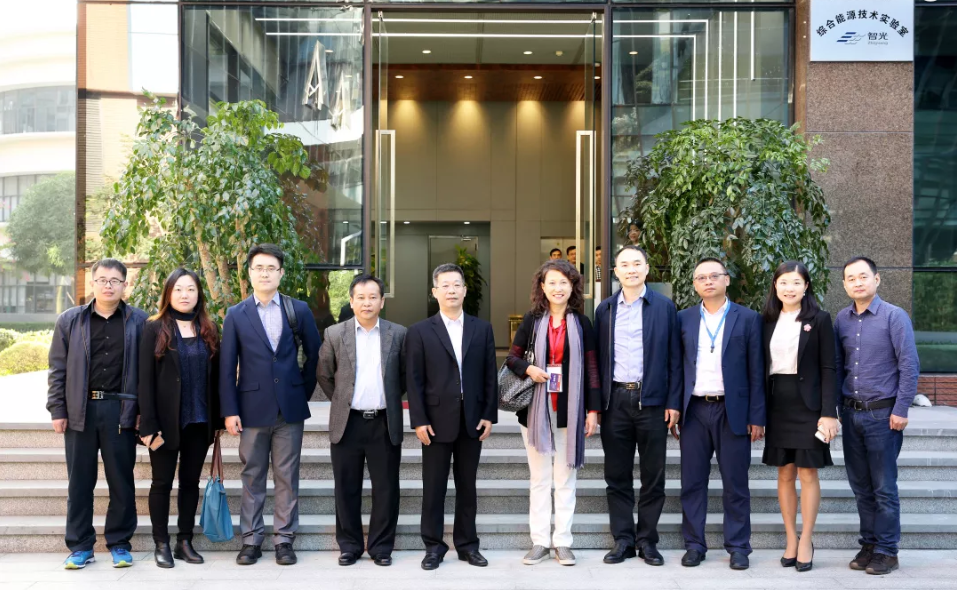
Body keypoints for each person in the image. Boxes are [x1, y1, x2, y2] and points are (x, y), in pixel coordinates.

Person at [220, 244, 322, 566]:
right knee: (252, 475)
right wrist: (230, 411)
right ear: (249, 273)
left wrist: (300, 391)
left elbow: (315, 355)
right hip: (251, 408)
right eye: (259, 268)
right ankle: (251, 541)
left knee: (287, 475)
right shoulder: (236, 314)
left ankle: (284, 540)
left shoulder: (298, 310)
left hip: (289, 409)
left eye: (271, 268)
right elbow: (227, 367)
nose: (265, 273)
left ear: (281, 273)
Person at [47, 258, 148, 569]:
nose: (108, 285)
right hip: (80, 409)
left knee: (121, 481)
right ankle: (80, 546)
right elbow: (57, 368)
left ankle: (120, 543)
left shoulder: (139, 321)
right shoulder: (70, 320)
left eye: (115, 281)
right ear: (92, 282)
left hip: (121, 410)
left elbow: (148, 373)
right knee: (79, 482)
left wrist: (144, 412)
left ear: (124, 285)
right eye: (102, 280)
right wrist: (57, 408)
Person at [505, 260, 600, 566]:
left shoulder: (582, 323)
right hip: (535, 411)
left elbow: (592, 369)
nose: (558, 288)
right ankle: (539, 542)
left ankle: (563, 542)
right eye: (552, 282)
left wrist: (593, 411)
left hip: (570, 411)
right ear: (542, 287)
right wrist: (529, 369)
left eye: (564, 282)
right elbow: (512, 359)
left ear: (573, 287)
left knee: (565, 479)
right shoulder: (532, 320)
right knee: (540, 479)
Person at [406, 263, 498, 571]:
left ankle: (467, 545)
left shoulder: (481, 329)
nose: (451, 290)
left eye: (457, 285)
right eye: (445, 285)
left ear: (465, 290)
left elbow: (489, 375)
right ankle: (433, 547)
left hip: (472, 419)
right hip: (434, 421)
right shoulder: (420, 331)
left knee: (467, 487)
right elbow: (414, 380)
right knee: (433, 488)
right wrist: (419, 420)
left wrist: (489, 414)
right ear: (435, 292)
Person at [595, 245, 682, 567]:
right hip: (615, 401)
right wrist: (596, 405)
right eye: (625, 265)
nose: (631, 270)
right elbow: (597, 362)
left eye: (637, 264)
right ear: (615, 271)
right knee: (616, 475)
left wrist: (673, 401)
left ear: (646, 269)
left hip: (653, 402)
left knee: (653, 476)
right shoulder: (604, 310)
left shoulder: (664, 307)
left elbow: (675, 359)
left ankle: (647, 541)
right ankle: (623, 540)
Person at [677, 257, 765, 570]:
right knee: (692, 483)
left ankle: (739, 547)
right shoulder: (684, 319)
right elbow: (677, 368)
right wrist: (674, 407)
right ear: (694, 284)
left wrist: (757, 416)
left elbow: (757, 370)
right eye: (701, 277)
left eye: (714, 276)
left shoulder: (748, 318)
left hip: (733, 411)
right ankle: (694, 545)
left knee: (736, 483)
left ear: (727, 280)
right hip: (694, 410)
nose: (708, 281)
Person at [835, 256, 919, 576]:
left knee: (883, 487)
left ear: (877, 279)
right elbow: (838, 366)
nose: (857, 282)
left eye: (863, 276)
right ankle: (869, 544)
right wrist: (835, 410)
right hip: (851, 414)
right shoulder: (841, 319)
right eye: (851, 278)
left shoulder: (894, 316)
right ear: (844, 284)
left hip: (883, 416)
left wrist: (901, 409)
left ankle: (887, 550)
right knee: (861, 487)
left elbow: (909, 365)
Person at [318, 274, 407, 567]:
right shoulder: (334, 333)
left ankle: (381, 547)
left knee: (386, 488)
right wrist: (344, 400)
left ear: (382, 302)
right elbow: (324, 375)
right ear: (352, 301)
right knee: (346, 488)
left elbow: (404, 376)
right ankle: (350, 546)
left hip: (384, 421)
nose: (367, 303)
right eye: (361, 297)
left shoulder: (399, 334)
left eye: (373, 297)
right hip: (348, 422)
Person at [138, 268, 223, 568]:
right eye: (178, 289)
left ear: (199, 294)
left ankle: (184, 541)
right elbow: (144, 380)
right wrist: (148, 424)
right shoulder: (154, 328)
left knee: (190, 483)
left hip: (199, 422)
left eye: (190, 289)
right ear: (168, 293)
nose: (184, 295)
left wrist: (219, 420)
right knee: (161, 483)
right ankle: (161, 543)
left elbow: (217, 378)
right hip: (164, 423)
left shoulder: (209, 329)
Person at [760, 261, 839, 573]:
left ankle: (806, 539)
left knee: (807, 473)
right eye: (783, 282)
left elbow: (829, 368)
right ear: (775, 286)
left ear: (806, 287)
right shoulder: (766, 320)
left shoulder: (819, 320)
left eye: (796, 282)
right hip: (777, 404)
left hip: (809, 406)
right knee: (784, 473)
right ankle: (790, 538)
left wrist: (828, 413)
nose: (789, 288)